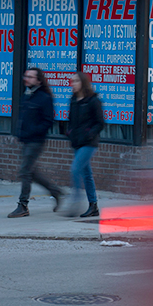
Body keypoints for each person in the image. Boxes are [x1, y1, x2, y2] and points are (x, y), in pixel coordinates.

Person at [8, 67, 64, 218]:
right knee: (32, 173)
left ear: (39, 80)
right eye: (26, 76)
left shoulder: (44, 98)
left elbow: (48, 121)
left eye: (31, 77)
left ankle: (23, 205)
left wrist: (34, 131)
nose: (26, 79)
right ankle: (55, 191)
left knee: (25, 172)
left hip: (36, 140)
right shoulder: (27, 95)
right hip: (26, 139)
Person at [65, 71, 105, 218]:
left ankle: (76, 201)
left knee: (75, 169)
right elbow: (71, 121)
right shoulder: (73, 100)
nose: (73, 84)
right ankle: (93, 206)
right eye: (72, 81)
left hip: (89, 143)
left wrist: (90, 134)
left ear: (83, 83)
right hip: (77, 142)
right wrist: (70, 133)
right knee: (87, 174)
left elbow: (100, 123)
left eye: (76, 81)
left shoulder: (93, 100)